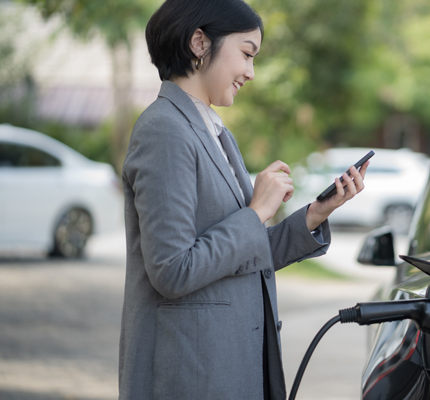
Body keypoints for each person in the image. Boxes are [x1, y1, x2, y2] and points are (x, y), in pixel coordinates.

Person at [117, 1, 368, 399]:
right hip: (190, 377)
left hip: (226, 369)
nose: (251, 73)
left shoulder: (215, 132)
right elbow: (172, 269)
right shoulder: (164, 129)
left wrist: (317, 214)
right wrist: (256, 212)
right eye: (247, 54)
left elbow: (241, 255)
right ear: (200, 42)